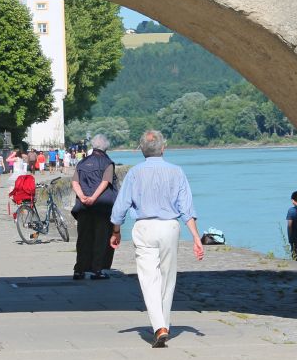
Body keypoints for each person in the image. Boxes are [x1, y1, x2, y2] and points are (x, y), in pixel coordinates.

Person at [110, 130, 204, 348]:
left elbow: (121, 206)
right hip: (169, 227)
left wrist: (116, 230)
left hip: (144, 227)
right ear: (164, 148)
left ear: (142, 150)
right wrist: (196, 237)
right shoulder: (177, 172)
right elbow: (186, 208)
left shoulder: (134, 173)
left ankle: (159, 326)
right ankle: (164, 324)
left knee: (148, 278)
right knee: (167, 277)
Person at [71, 134, 118, 281]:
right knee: (100, 238)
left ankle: (79, 270)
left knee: (83, 238)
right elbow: (105, 182)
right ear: (106, 147)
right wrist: (93, 198)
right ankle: (97, 270)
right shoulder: (107, 163)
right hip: (101, 208)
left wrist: (83, 197)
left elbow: (74, 183)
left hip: (83, 207)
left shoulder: (82, 162)